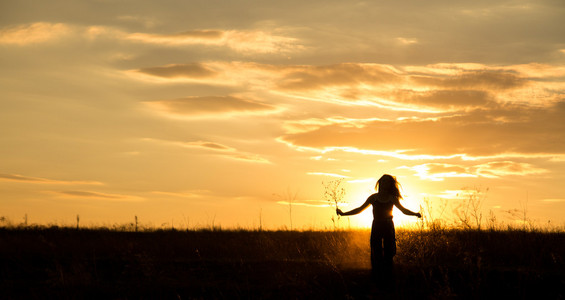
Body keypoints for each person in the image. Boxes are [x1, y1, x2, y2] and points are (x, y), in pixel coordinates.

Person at [336, 174, 421, 284]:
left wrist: (415, 214)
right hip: (376, 226)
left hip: (388, 226)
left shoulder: (392, 198)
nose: (384, 183)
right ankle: (377, 278)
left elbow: (403, 211)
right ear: (380, 183)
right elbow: (359, 209)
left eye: (387, 181)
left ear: (390, 184)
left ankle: (388, 278)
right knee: (376, 252)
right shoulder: (373, 198)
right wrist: (343, 214)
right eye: (383, 181)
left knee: (389, 253)